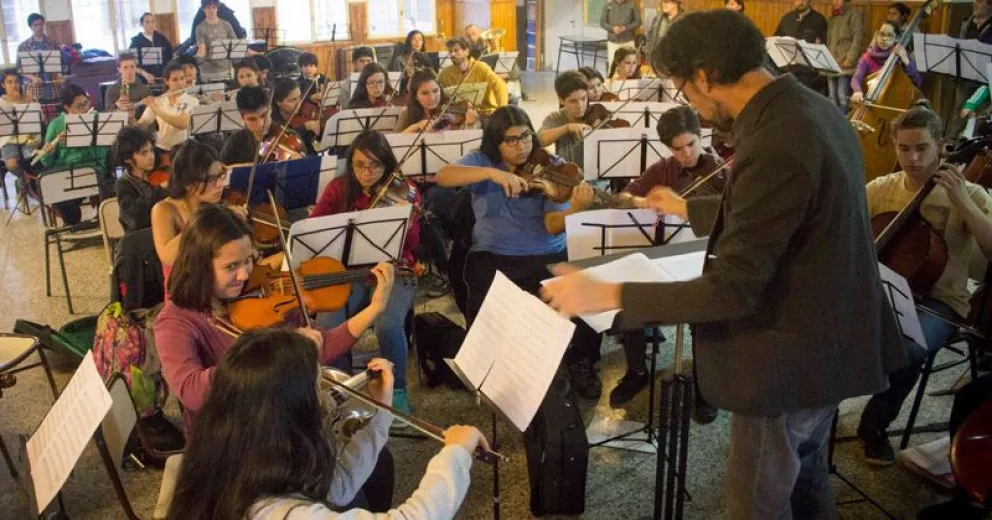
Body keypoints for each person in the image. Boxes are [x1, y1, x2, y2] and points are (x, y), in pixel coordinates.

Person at [540, 11, 907, 518]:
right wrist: (686, 209)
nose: (689, 102)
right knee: (806, 480)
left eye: (684, 88)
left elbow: (731, 289)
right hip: (832, 344)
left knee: (756, 503)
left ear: (706, 74)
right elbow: (783, 209)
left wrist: (610, 293)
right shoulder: (812, 109)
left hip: (792, 359)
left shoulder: (777, 138)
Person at [165, 327, 486, 519]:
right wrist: (455, 454)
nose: (325, 397)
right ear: (290, 412)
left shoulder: (232, 448)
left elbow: (338, 486)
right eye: (316, 389)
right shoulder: (280, 512)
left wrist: (381, 407)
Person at [435, 105, 603, 399]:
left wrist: (576, 208)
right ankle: (487, 366)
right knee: (486, 308)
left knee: (583, 298)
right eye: (511, 140)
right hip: (493, 254)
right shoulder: (482, 160)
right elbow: (443, 177)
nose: (522, 146)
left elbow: (552, 225)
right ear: (496, 142)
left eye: (526, 136)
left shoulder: (551, 166)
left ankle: (580, 362)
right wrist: (492, 174)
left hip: (547, 254)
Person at [856, 102, 992, 465]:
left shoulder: (970, 193)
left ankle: (874, 425)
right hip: (883, 289)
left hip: (940, 301)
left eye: (922, 148)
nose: (913, 158)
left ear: (941, 146)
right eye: (904, 148)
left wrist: (963, 202)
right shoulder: (882, 188)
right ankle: (816, 418)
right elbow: (846, 229)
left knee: (909, 348)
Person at [311, 130, 421, 416]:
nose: (366, 173)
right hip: (351, 272)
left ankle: (396, 392)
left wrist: (407, 223)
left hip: (396, 270)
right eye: (359, 165)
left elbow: (412, 244)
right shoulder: (339, 188)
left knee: (387, 324)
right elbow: (314, 228)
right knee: (328, 320)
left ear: (387, 165)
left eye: (375, 166)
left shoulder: (405, 190)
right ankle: (341, 386)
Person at [150, 139, 229, 291]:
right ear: (187, 183)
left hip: (219, 287)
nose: (220, 184)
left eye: (221, 175)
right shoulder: (164, 210)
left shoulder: (217, 204)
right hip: (185, 292)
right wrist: (208, 217)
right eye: (211, 179)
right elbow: (168, 257)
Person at [38, 84, 108, 225]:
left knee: (110, 198)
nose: (85, 108)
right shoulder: (56, 125)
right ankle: (75, 226)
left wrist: (85, 141)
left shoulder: (97, 118)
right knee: (66, 206)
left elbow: (106, 151)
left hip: (96, 170)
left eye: (86, 103)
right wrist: (50, 153)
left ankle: (102, 221)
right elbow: (46, 162)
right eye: (79, 106)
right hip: (68, 174)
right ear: (67, 107)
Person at [850, 21, 922, 106]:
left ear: (896, 38)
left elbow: (917, 82)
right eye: (881, 34)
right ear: (877, 35)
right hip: (872, 103)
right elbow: (856, 77)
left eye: (889, 35)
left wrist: (906, 61)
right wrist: (857, 91)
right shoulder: (867, 57)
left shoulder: (900, 55)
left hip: (895, 103)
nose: (884, 38)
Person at [137, 62, 199, 156]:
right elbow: (143, 123)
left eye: (182, 78)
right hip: (161, 148)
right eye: (175, 80)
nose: (180, 83)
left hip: (184, 149)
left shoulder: (192, 101)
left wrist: (156, 109)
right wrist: (130, 115)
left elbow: (182, 124)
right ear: (166, 81)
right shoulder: (158, 100)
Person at [113, 126, 165, 232]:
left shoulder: (156, 174)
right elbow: (133, 219)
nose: (151, 156)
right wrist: (161, 190)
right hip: (142, 236)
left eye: (151, 150)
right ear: (127, 158)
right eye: (144, 153)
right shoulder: (124, 184)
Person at [438, 38, 508, 115]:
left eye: (456, 50)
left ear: (466, 52)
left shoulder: (481, 67)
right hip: (459, 114)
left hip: (484, 112)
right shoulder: (445, 74)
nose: (452, 54)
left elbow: (500, 86)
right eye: (450, 51)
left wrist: (502, 111)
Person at [395, 69, 479, 133]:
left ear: (440, 89)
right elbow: (395, 140)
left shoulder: (452, 109)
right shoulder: (407, 114)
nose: (432, 98)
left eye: (435, 91)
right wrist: (416, 126)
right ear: (415, 96)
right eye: (425, 93)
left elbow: (466, 142)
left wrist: (470, 124)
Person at [538, 71, 592, 169]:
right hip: (569, 174)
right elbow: (539, 140)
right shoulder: (556, 117)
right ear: (561, 100)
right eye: (573, 101)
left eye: (583, 98)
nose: (580, 105)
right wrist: (566, 128)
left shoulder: (597, 112)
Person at [773, 0, 828, 92]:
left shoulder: (819, 19)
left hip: (807, 73)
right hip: (786, 70)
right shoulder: (787, 18)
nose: (800, 2)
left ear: (809, 1)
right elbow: (777, 39)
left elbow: (825, 44)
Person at [17, 13, 63, 116]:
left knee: (56, 114)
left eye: (41, 24)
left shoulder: (53, 43)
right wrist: (33, 78)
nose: (39, 27)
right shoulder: (23, 46)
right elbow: (20, 69)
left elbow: (60, 63)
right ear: (30, 27)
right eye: (35, 25)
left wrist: (60, 76)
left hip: (53, 85)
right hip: (35, 87)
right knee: (39, 116)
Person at [0, 69, 39, 187]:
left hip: (28, 137)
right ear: (3, 85)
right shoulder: (1, 103)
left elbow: (40, 119)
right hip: (9, 139)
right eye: (9, 82)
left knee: (32, 161)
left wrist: (31, 103)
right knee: (12, 164)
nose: (14, 85)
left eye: (16, 82)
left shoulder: (27, 98)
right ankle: (24, 181)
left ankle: (30, 185)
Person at [825, 0, 864, 113]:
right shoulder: (832, 18)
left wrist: (850, 58)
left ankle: (843, 121)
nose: (835, 1)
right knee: (832, 96)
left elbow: (858, 39)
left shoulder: (854, 16)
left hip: (845, 63)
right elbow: (829, 41)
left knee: (842, 96)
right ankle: (833, 120)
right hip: (832, 62)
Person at [194, 0, 246, 83]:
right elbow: (202, 48)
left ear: (217, 8)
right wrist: (196, 59)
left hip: (226, 70)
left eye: (214, 7)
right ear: (203, 9)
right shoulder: (200, 28)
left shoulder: (226, 24)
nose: (211, 10)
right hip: (208, 72)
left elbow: (236, 45)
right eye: (208, 8)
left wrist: (249, 51)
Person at [221, 86, 268, 165]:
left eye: (263, 116)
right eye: (252, 119)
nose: (261, 123)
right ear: (242, 119)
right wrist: (245, 166)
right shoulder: (237, 139)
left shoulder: (283, 134)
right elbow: (222, 167)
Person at [270, 77, 319, 154]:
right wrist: (305, 127)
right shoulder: (274, 122)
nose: (299, 103)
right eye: (292, 100)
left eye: (299, 97)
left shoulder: (304, 108)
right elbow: (286, 139)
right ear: (278, 102)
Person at [129, 12, 174, 82]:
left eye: (153, 21)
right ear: (142, 24)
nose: (151, 25)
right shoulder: (136, 41)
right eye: (147, 22)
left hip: (162, 78)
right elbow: (131, 64)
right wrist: (144, 74)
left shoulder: (162, 38)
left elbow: (170, 57)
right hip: (143, 80)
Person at [599, 0, 641, 72]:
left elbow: (638, 21)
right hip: (613, 42)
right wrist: (612, 28)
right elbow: (602, 22)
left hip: (628, 41)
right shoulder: (608, 6)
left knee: (630, 67)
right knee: (612, 67)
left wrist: (625, 28)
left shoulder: (633, 5)